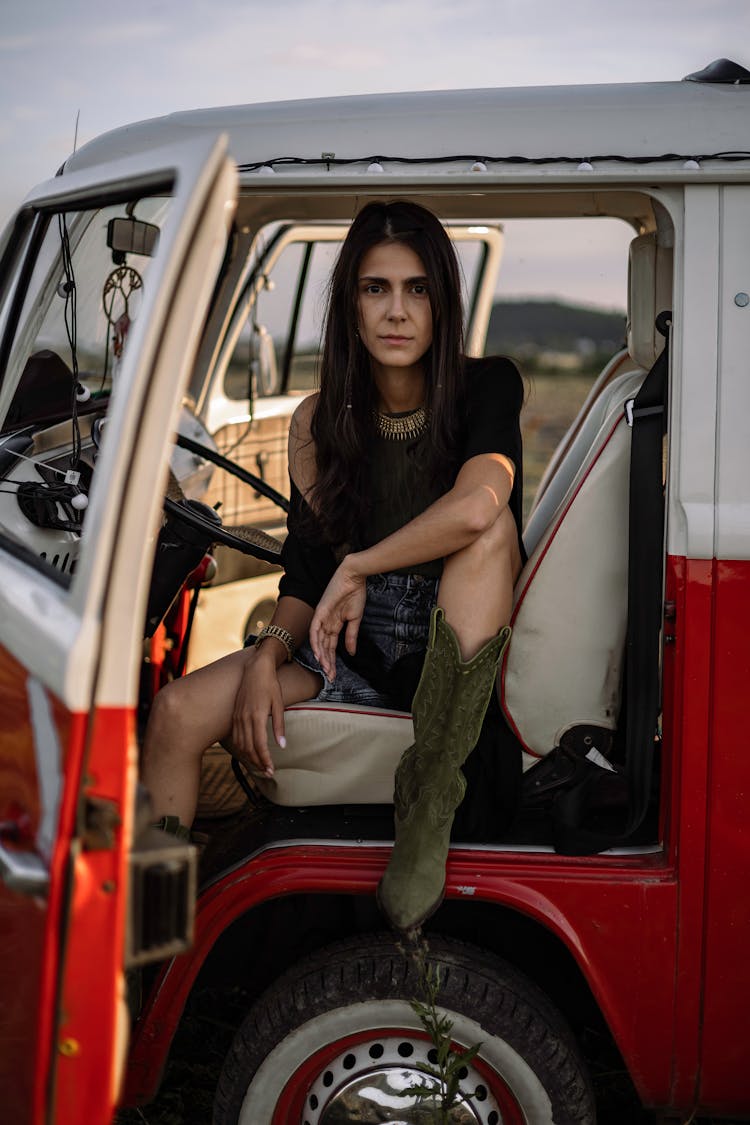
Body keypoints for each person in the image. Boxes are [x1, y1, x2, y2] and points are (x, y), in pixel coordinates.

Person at [141, 200, 524, 932]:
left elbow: (478, 505)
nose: (397, 311)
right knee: (174, 712)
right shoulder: (318, 421)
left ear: (442, 301)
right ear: (350, 304)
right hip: (350, 642)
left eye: (417, 289)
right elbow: (307, 575)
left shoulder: (488, 386)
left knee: (489, 530)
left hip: (454, 652)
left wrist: (362, 567)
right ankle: (151, 931)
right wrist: (265, 654)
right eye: (375, 288)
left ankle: (432, 792)